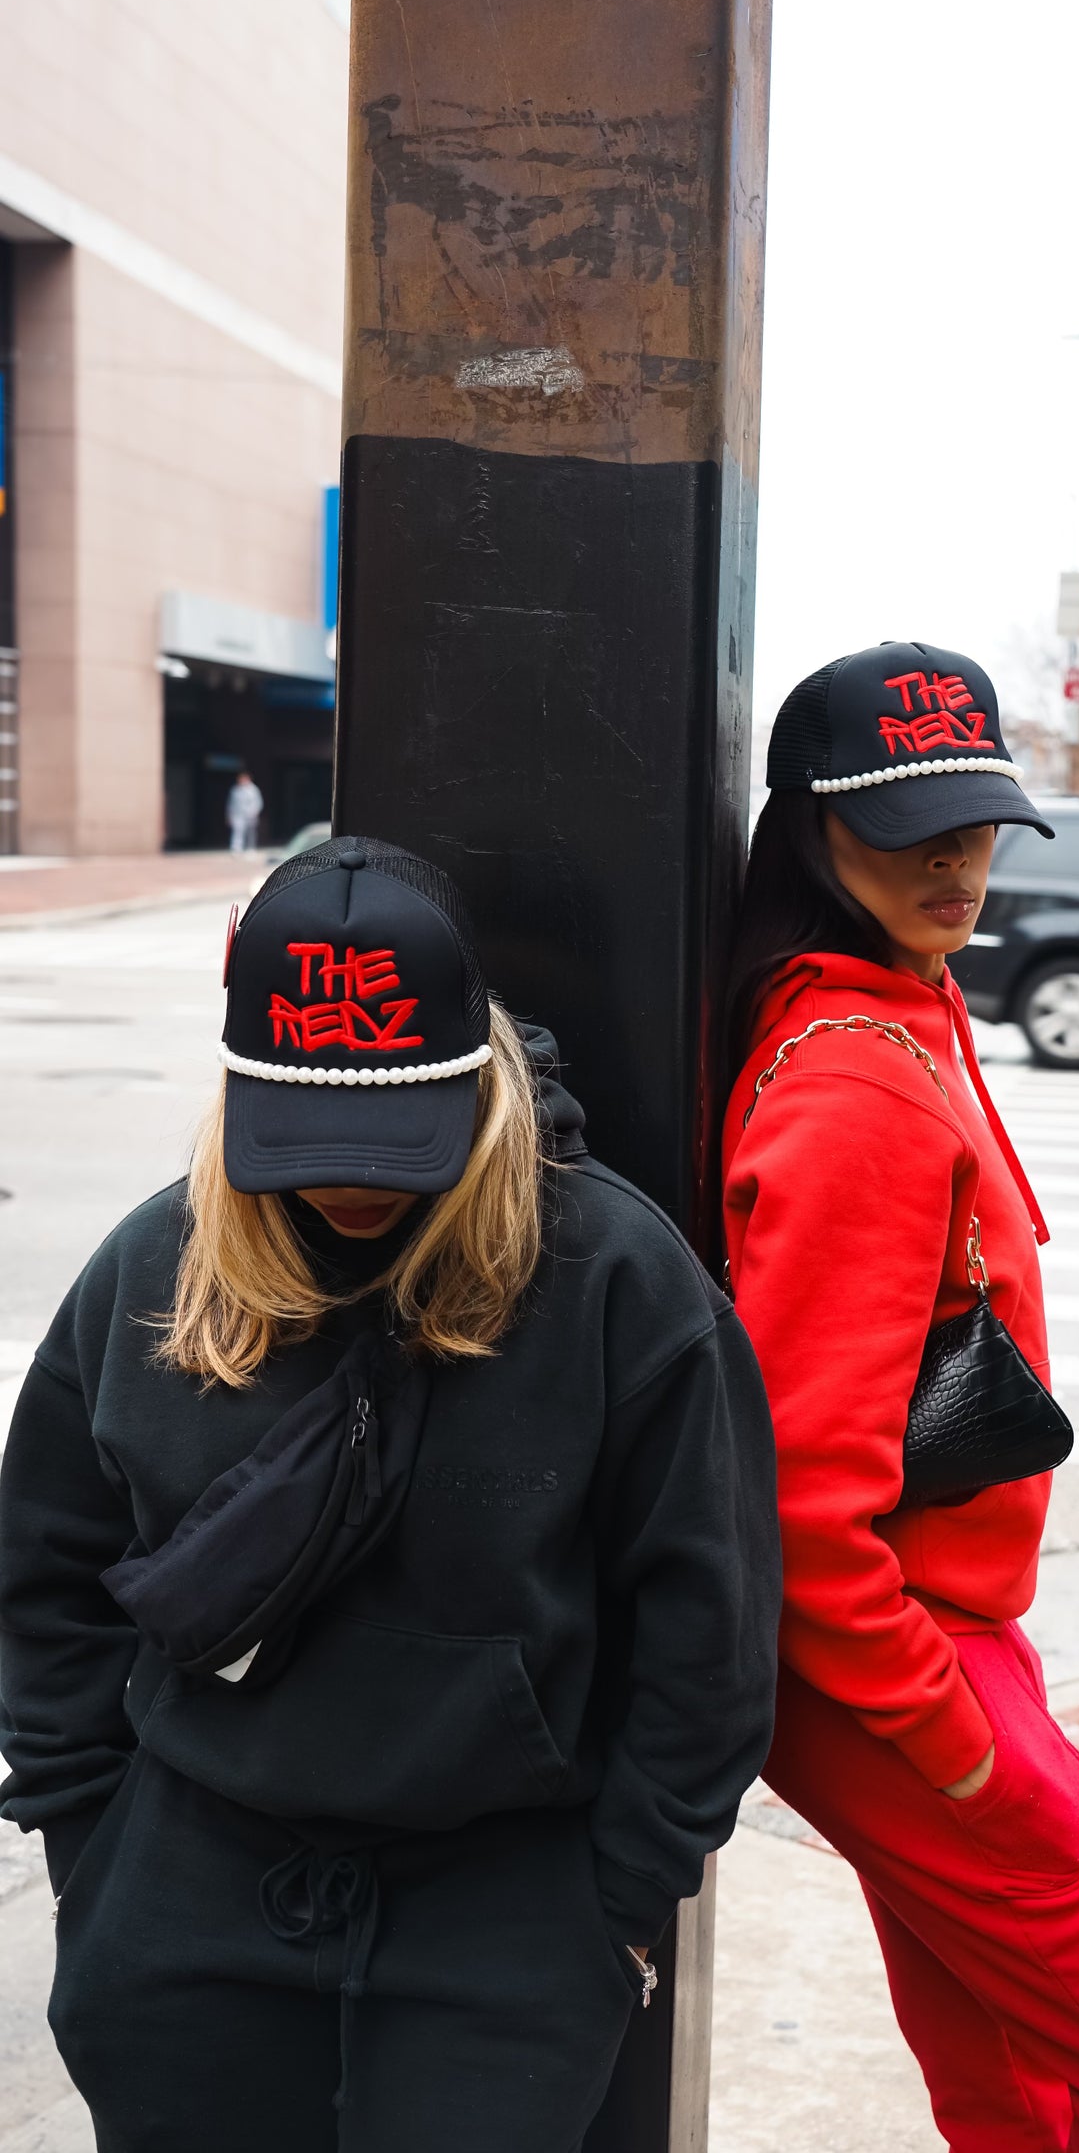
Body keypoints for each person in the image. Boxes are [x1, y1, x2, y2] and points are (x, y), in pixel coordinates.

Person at [0, 835, 780, 2153]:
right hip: (188, 1898)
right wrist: (98, 1856)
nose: (356, 1176)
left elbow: (712, 1630)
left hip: (507, 1916)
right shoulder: (154, 1266)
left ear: (476, 1077)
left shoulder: (617, 1286)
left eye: (398, 1131)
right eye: (307, 1133)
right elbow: (43, 1571)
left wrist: (618, 1905)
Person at [721, 644, 1079, 2152]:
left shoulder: (907, 1012)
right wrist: (953, 1747)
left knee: (1014, 2085)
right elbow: (802, 1501)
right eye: (906, 828)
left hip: (937, 1630)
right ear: (811, 832)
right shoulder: (859, 1086)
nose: (957, 862)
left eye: (976, 819)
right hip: (896, 1660)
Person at [226, 769, 264, 852]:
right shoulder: (235, 789)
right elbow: (230, 803)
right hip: (237, 814)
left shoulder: (253, 789)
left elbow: (258, 802)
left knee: (250, 832)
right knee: (237, 831)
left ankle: (250, 848)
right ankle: (236, 848)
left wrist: (255, 812)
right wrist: (229, 815)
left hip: (250, 814)